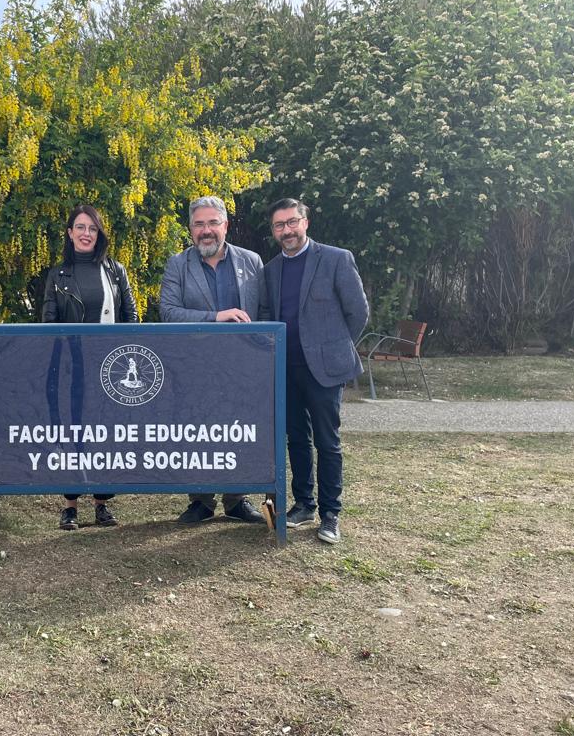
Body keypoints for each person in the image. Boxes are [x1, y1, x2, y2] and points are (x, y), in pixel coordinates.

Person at [263, 198, 369, 544]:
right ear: (274, 230)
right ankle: (304, 504)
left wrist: (334, 347)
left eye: (292, 222)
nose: (287, 230)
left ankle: (330, 514)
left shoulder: (336, 259)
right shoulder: (271, 270)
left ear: (305, 222)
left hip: (325, 370)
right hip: (287, 368)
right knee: (296, 439)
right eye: (280, 225)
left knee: (328, 441)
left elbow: (358, 312)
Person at [160, 195, 271, 524]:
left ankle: (236, 499)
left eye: (212, 223)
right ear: (190, 229)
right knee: (197, 432)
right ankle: (201, 500)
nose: (206, 230)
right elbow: (169, 313)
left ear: (225, 225)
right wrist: (216, 316)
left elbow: (264, 312)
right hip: (196, 365)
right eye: (199, 224)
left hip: (242, 365)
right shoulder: (178, 264)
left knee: (239, 431)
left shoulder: (252, 261)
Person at [41, 204, 139, 530]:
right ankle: (70, 505)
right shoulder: (57, 275)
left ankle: (102, 502)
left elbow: (131, 317)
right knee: (73, 429)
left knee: (105, 431)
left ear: (99, 234)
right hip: (71, 364)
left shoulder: (116, 271)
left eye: (92, 228)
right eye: (80, 227)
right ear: (70, 233)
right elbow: (48, 324)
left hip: (110, 365)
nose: (86, 234)